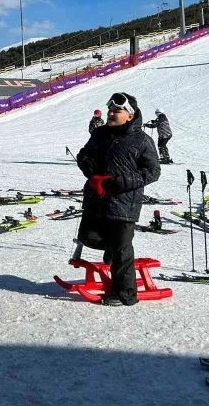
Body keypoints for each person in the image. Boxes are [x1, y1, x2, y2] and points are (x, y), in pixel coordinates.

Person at [76, 92, 161, 307]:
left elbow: (152, 171)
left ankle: (124, 294)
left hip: (124, 202)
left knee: (122, 248)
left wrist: (120, 182)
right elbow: (84, 154)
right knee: (91, 237)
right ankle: (110, 253)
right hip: (96, 199)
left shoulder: (142, 140)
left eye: (117, 111)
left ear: (130, 115)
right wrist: (90, 171)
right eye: (110, 110)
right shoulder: (100, 134)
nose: (111, 113)